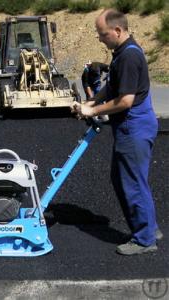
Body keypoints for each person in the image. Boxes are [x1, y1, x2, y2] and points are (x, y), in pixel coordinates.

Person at [72, 9, 163, 255]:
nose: (100, 39)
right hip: (130, 126)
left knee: (131, 183)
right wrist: (91, 103)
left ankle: (144, 240)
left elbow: (125, 101)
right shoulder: (122, 53)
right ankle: (149, 227)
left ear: (117, 31)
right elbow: (112, 87)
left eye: (102, 34)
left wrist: (93, 111)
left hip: (134, 126)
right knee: (129, 179)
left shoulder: (130, 57)